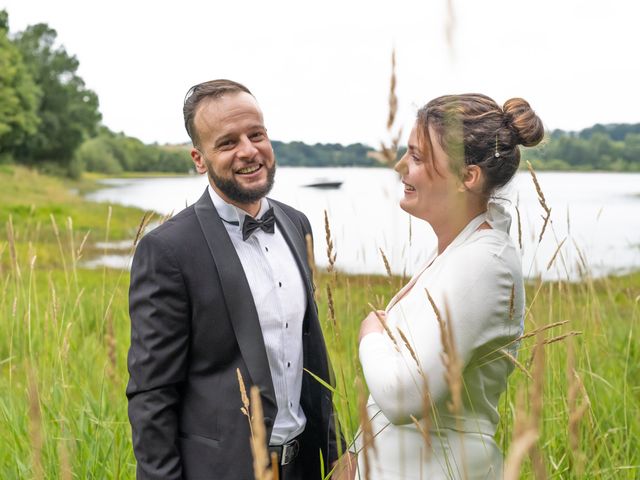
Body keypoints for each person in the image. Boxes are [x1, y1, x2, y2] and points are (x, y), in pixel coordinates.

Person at [126, 79, 347, 480]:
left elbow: (309, 356)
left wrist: (335, 451)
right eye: (227, 143)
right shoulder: (168, 251)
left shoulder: (297, 224)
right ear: (199, 159)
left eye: (256, 134)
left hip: (306, 467)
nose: (248, 151)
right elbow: (152, 396)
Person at [356, 94, 544, 479]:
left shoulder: (482, 263)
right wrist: (355, 457)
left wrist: (369, 334)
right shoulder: (458, 251)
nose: (400, 167)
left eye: (418, 157)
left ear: (467, 177)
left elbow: (404, 396)